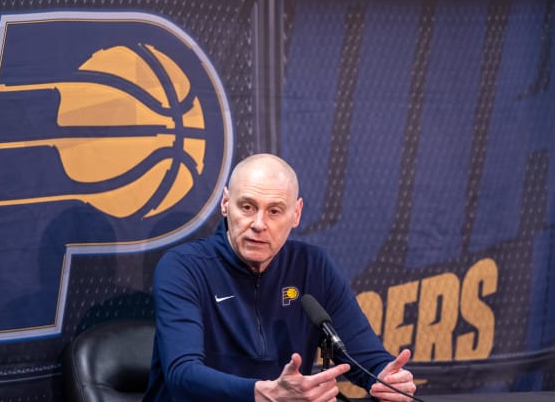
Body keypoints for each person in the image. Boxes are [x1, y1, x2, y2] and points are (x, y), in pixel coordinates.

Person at [144, 153, 417, 401]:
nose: (259, 224)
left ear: (296, 214)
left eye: (274, 211)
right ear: (226, 204)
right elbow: (183, 375)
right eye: (247, 207)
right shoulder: (184, 267)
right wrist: (262, 393)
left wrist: (388, 378)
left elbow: (363, 357)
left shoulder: (313, 266)